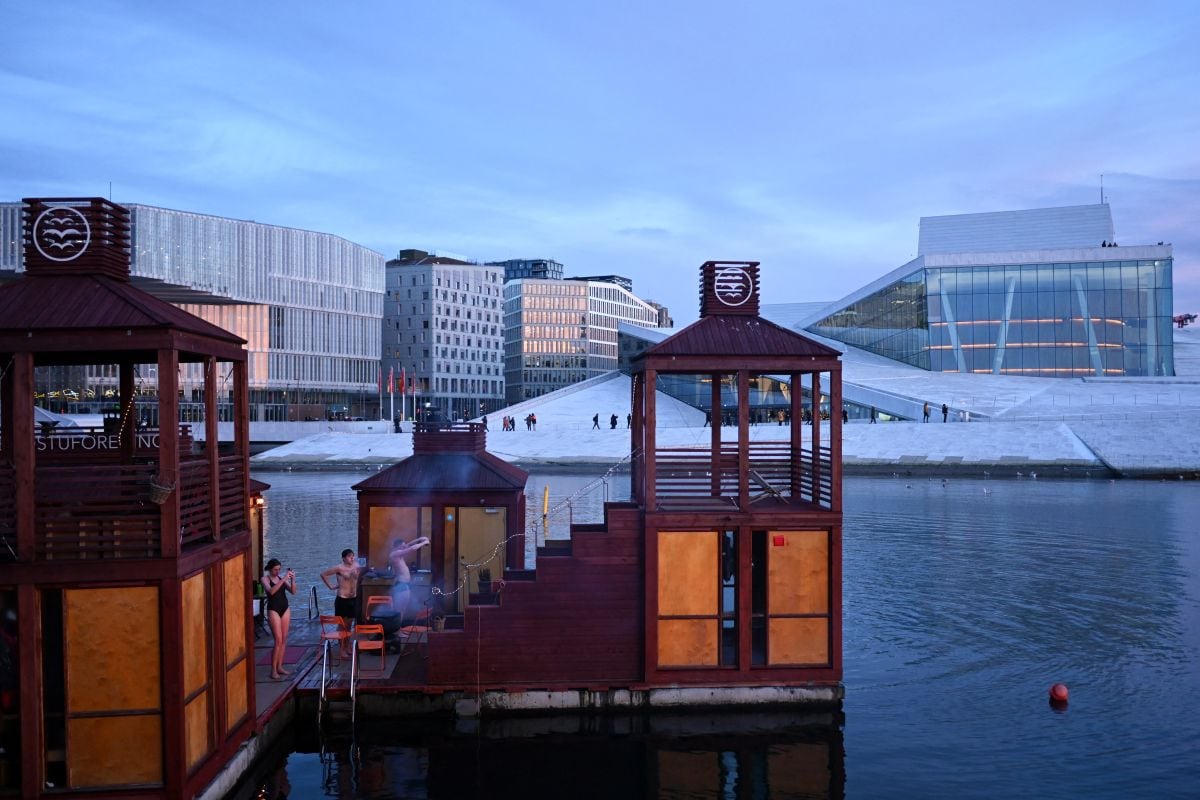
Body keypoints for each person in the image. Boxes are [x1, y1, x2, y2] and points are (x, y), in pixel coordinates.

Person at [320, 549, 366, 660]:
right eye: (349, 556)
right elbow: (323, 574)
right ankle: (342, 650)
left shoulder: (356, 565)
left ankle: (347, 645)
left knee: (349, 625)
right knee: (342, 625)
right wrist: (331, 586)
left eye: (353, 556)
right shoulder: (339, 568)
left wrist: (358, 572)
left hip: (353, 598)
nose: (352, 558)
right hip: (343, 599)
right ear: (344, 558)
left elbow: (360, 572)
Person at [261, 559, 296, 680]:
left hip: (285, 608)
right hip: (273, 609)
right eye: (275, 569)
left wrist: (292, 579)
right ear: (270, 569)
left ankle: (280, 666)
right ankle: (273, 670)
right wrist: (285, 578)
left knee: (284, 639)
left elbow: (293, 591)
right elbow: (271, 591)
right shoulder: (265, 579)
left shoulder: (281, 578)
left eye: (279, 569)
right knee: (278, 640)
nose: (277, 571)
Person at [388, 536, 431, 616]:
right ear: (399, 546)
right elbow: (412, 548)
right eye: (403, 546)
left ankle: (398, 626)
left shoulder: (399, 552)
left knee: (403, 608)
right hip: (401, 584)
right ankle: (396, 627)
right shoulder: (395, 554)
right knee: (399, 608)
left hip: (405, 584)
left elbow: (409, 544)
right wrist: (424, 543)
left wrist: (420, 539)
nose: (405, 546)